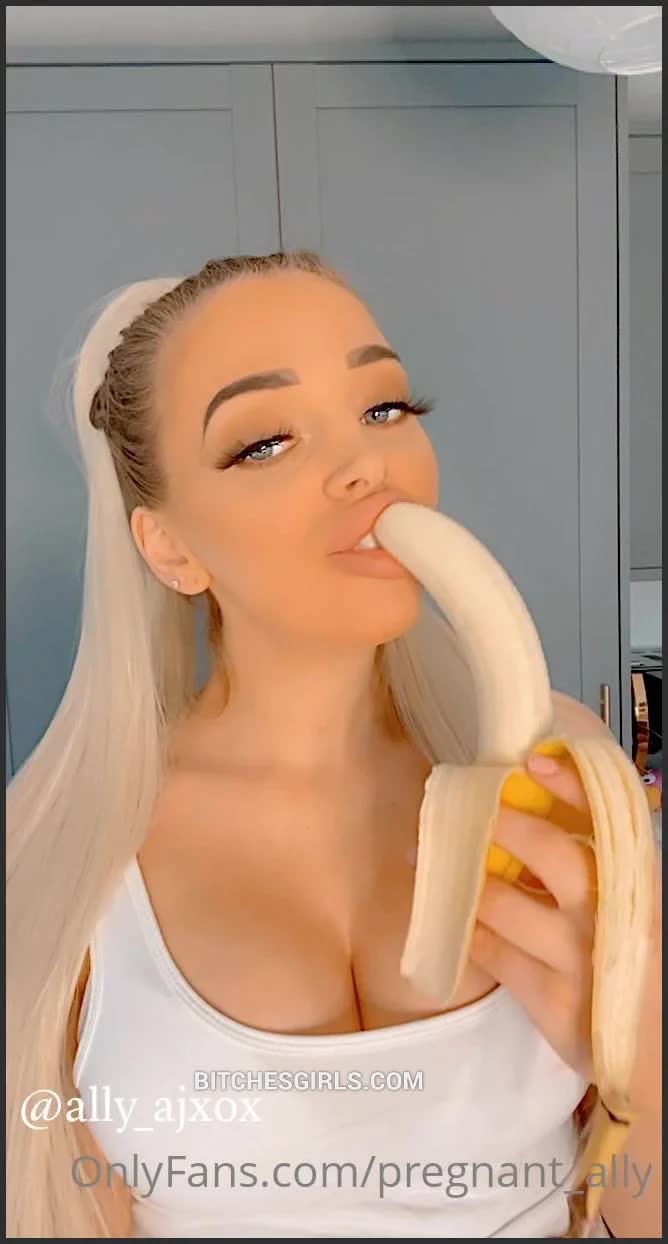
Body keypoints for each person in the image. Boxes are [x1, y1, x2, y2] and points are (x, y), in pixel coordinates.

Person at [7, 252, 661, 1239]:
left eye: (385, 407)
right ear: (169, 547)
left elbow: (632, 1192)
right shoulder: (71, 849)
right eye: (264, 441)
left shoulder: (554, 763)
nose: (366, 465)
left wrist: (637, 1048)